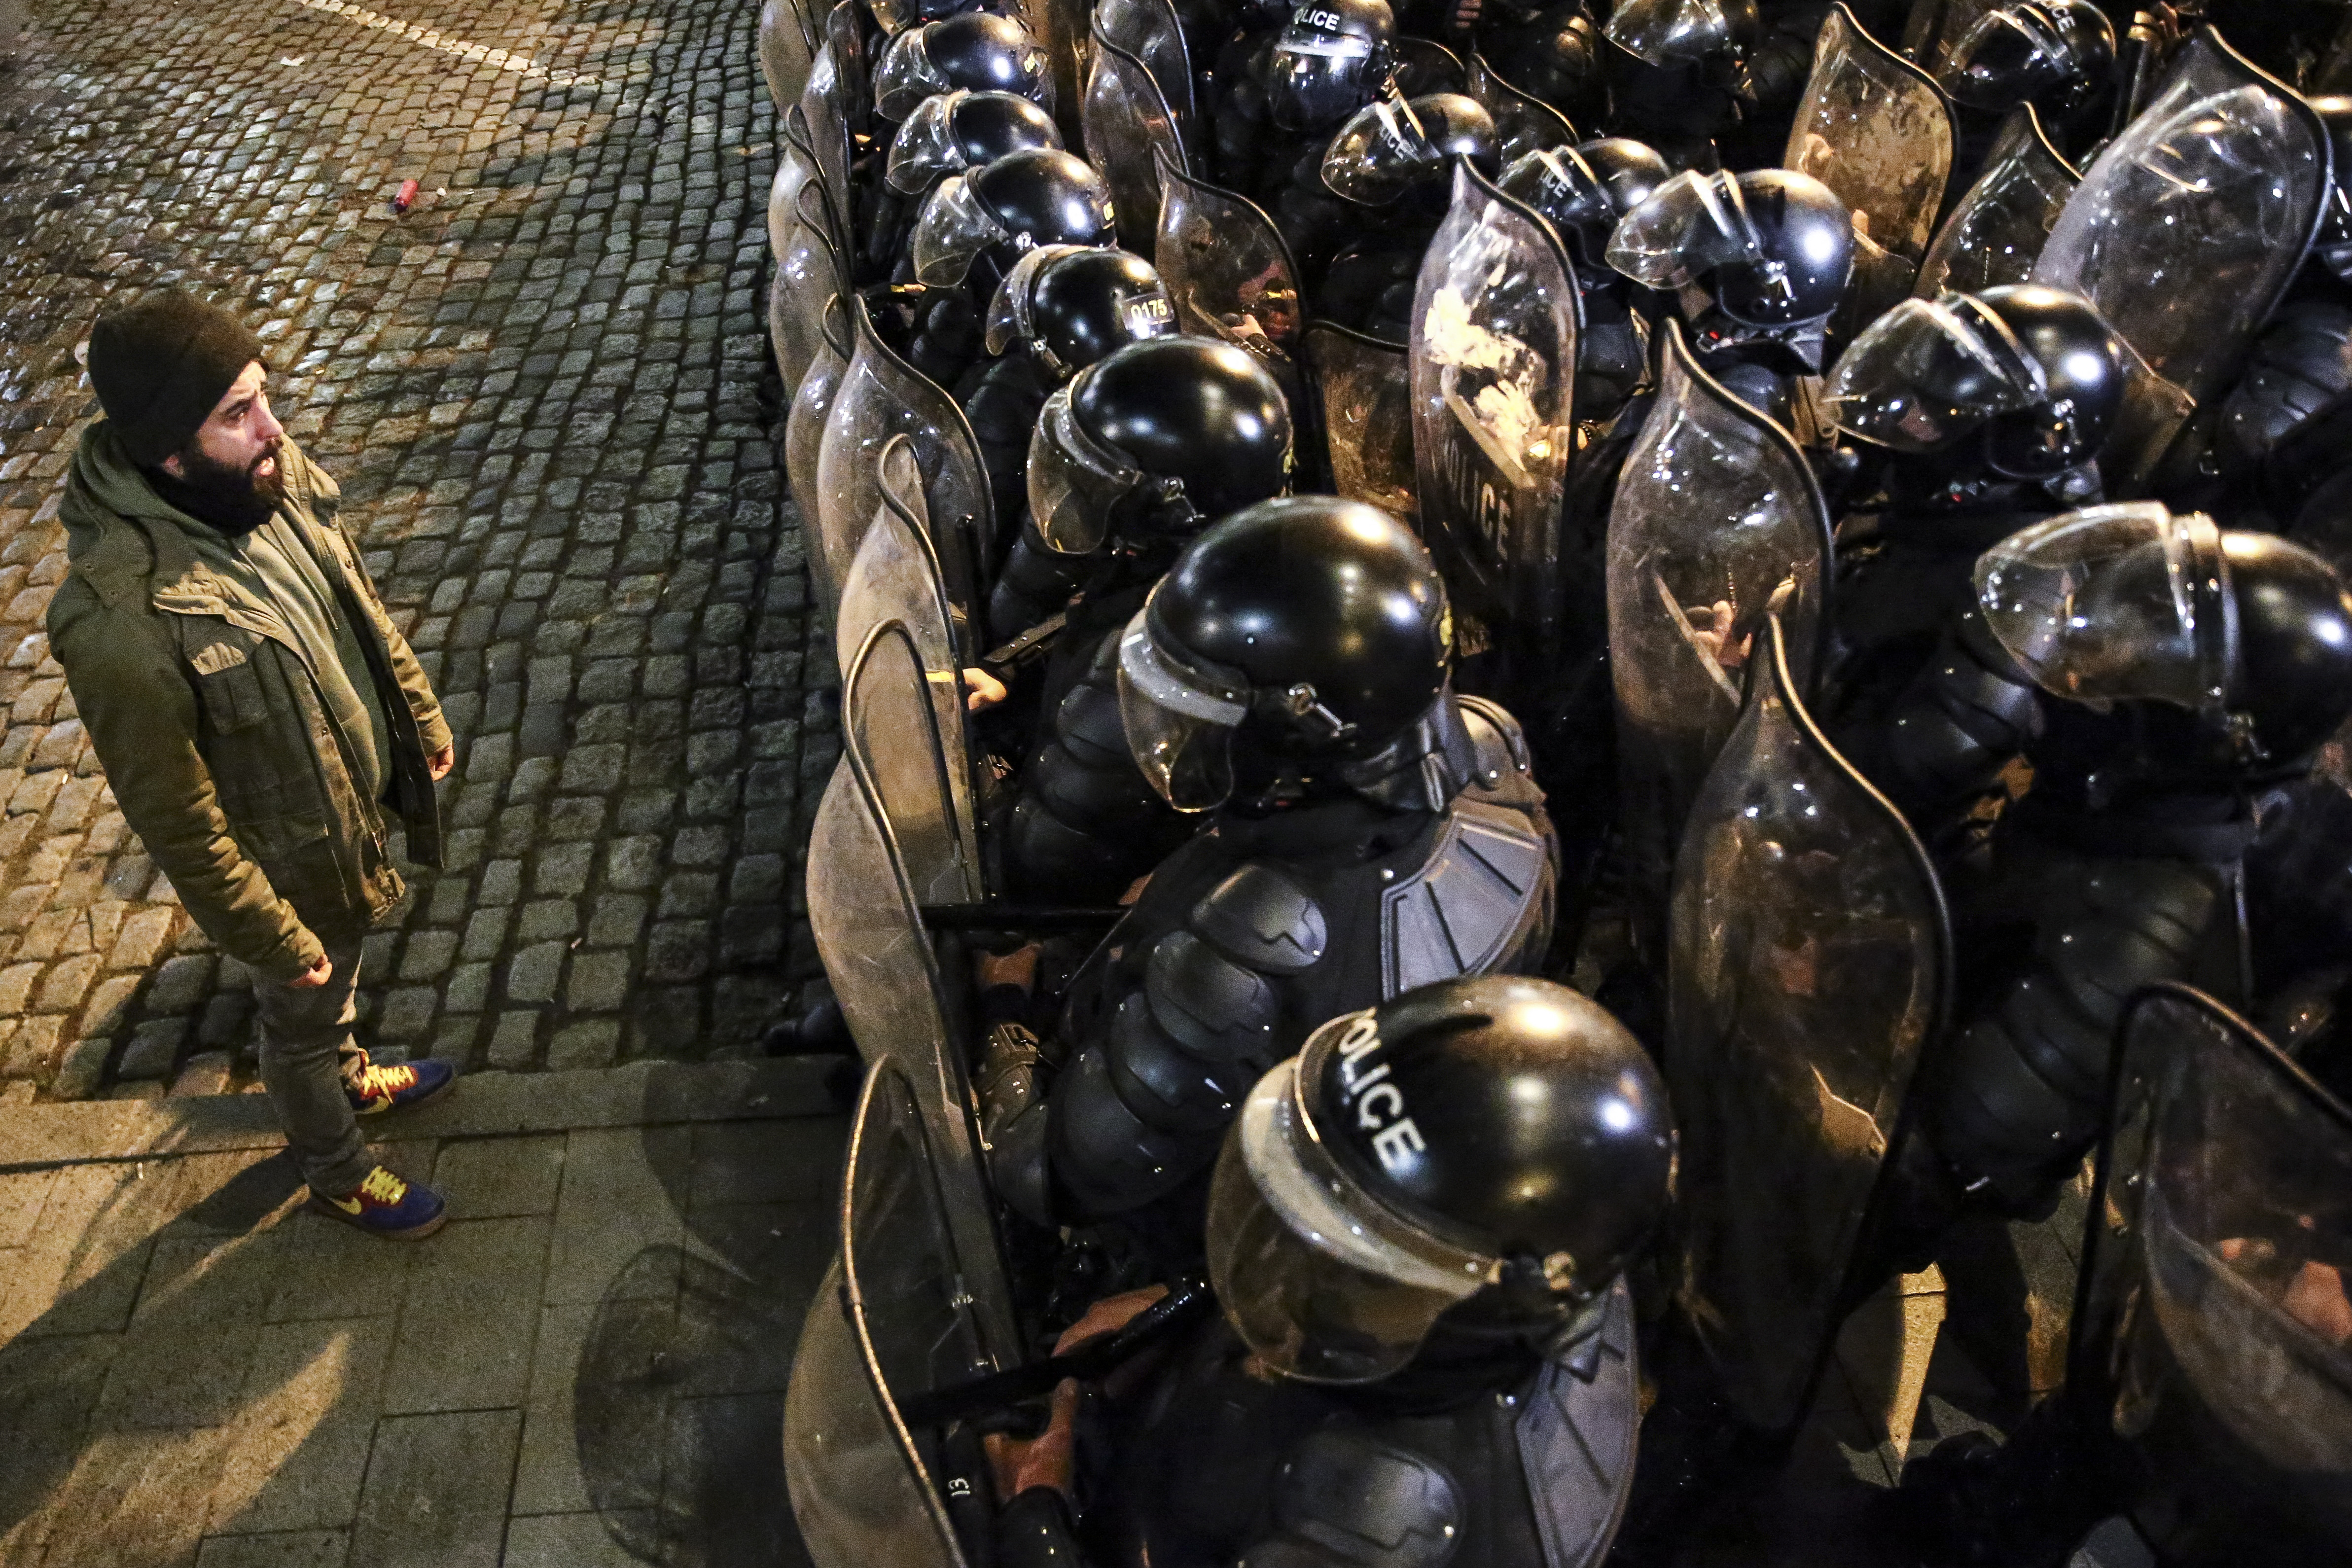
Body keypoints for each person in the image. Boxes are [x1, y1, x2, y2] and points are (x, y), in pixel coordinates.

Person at [984, 976, 1677, 1568]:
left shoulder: (1386, 1523)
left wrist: (1036, 1513)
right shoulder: (1554, 1271)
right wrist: (1178, 1311)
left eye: (1362, 1267)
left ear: (1478, 1314)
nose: (1285, 1276)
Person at [51, 291, 458, 1239]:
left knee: (337, 985)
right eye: (238, 412)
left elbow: (354, 601)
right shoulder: (119, 622)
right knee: (300, 1018)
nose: (273, 427)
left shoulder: (260, 479)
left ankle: (349, 1075)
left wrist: (421, 714)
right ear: (168, 450)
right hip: (287, 869)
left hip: (343, 821)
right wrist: (271, 935)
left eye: (263, 396)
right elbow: (177, 820)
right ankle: (335, 1170)